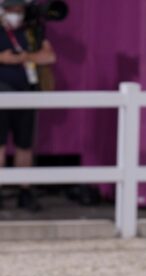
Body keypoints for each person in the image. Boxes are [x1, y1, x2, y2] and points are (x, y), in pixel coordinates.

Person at [0, 0, 56, 211]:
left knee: (25, 146)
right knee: (0, 147)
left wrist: (26, 57)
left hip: (27, 93)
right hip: (2, 94)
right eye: (13, 9)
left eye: (20, 9)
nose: (17, 13)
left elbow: (49, 55)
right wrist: (3, 58)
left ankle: (25, 191)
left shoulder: (31, 31)